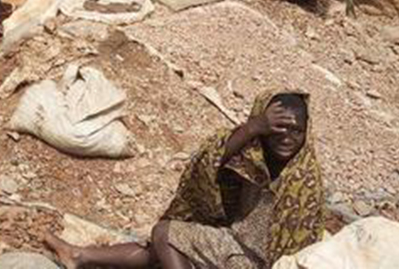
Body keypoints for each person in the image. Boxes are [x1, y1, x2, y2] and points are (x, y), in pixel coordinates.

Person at [45, 90, 325, 269]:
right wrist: (253, 128)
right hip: (233, 243)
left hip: (256, 261)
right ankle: (81, 256)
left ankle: (81, 256)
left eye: (296, 131)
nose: (287, 138)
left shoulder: (303, 178)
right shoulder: (255, 152)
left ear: (306, 133)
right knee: (164, 249)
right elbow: (209, 159)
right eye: (278, 128)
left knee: (164, 233)